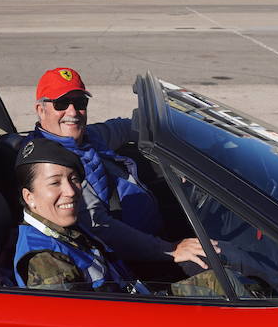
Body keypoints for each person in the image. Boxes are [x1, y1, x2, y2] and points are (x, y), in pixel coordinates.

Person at [28, 66, 210, 268]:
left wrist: (181, 133)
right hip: (138, 257)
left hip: (155, 234)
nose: (72, 111)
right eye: (61, 103)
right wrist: (169, 249)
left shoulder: (88, 136)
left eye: (80, 102)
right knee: (221, 259)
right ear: (40, 110)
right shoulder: (52, 163)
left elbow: (125, 127)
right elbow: (101, 227)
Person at [13, 139, 222, 296]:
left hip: (134, 297)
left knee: (224, 280)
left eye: (74, 179)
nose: (71, 191)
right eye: (55, 183)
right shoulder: (46, 260)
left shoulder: (65, 228)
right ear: (29, 197)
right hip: (136, 322)